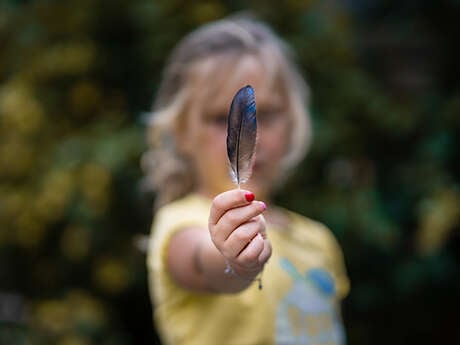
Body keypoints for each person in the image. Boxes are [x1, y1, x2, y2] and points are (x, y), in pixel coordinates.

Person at [142, 15, 350, 345]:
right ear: (181, 131)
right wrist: (235, 262)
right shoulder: (181, 226)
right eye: (217, 118)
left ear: (293, 121)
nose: (253, 137)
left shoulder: (317, 240)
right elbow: (204, 261)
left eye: (266, 115)